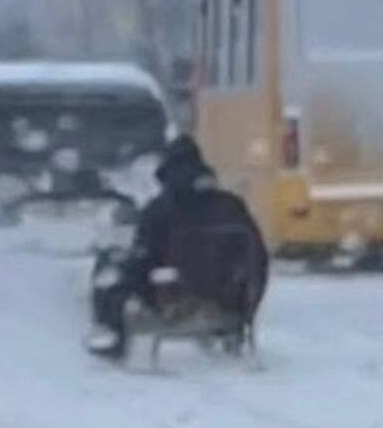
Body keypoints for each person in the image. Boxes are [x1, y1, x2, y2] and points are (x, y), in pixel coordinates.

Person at [87, 133, 268, 360]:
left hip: (172, 302)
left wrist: (127, 278)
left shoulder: (161, 210)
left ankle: (111, 338)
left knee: (112, 270)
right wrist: (245, 301)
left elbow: (143, 258)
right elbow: (257, 257)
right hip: (231, 304)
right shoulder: (232, 206)